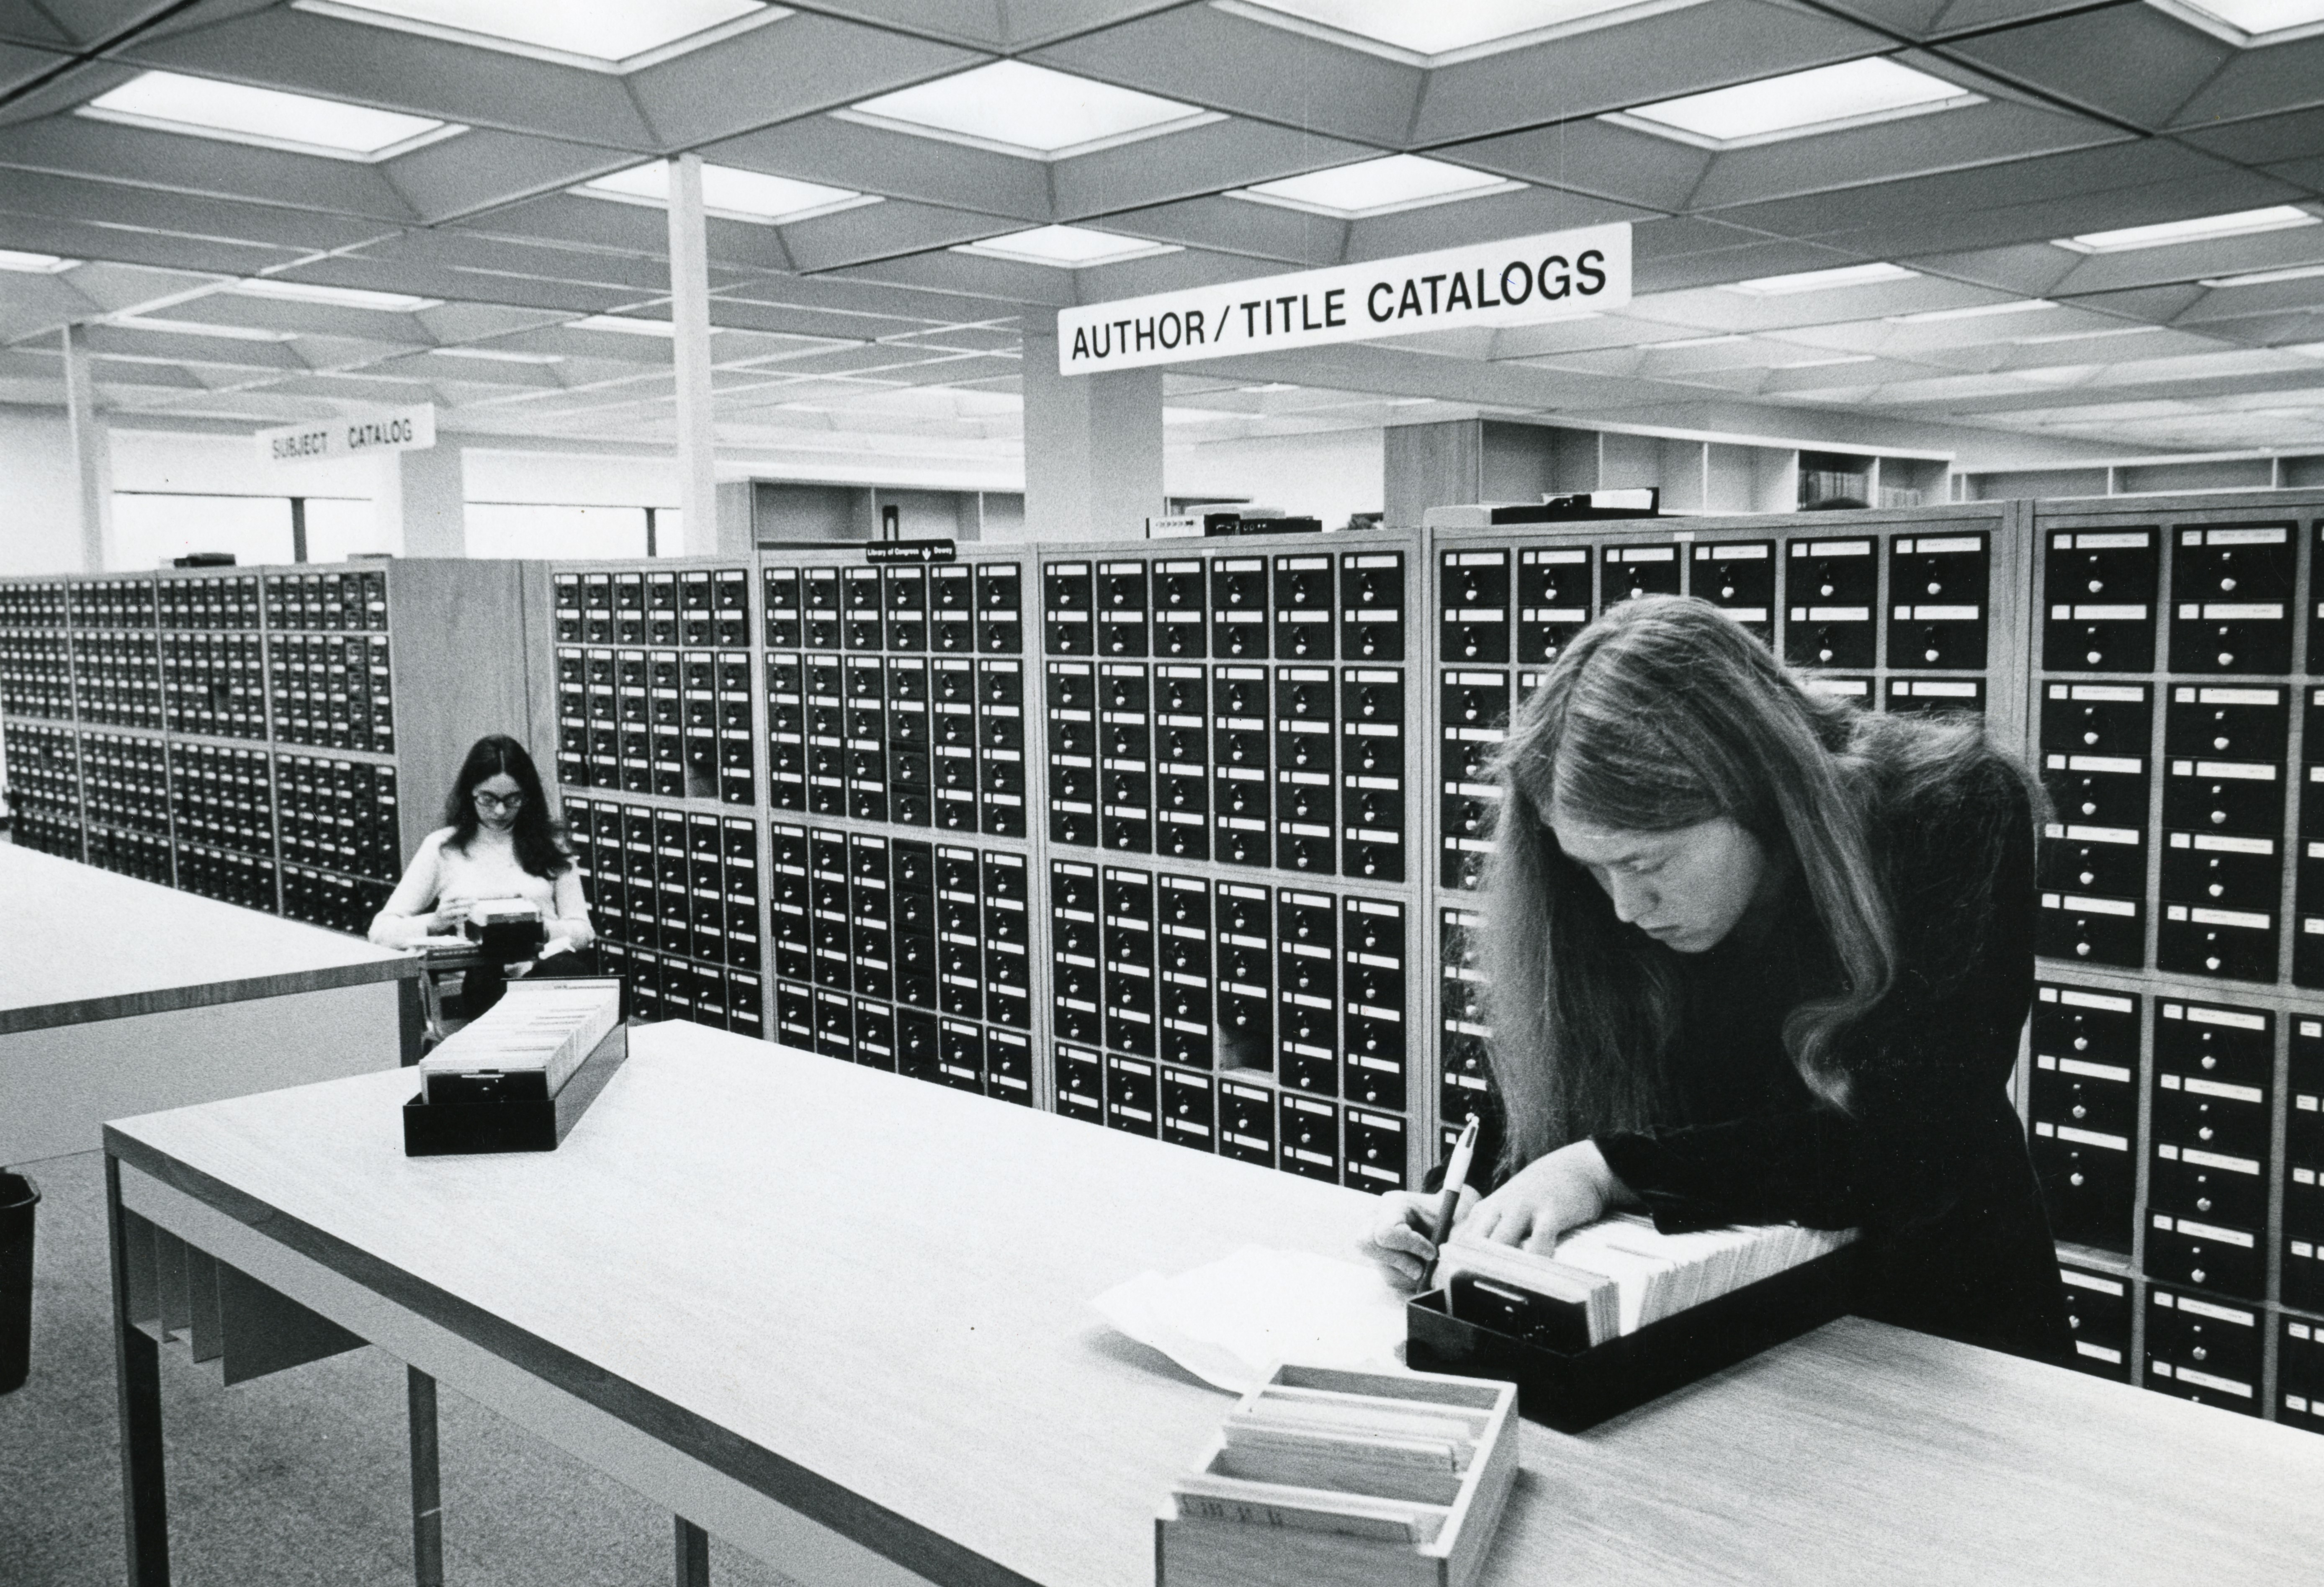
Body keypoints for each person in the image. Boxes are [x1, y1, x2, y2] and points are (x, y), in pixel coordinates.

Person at [1363, 595, 2070, 1363]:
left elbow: (1914, 1138)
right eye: (1592, 870)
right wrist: (1467, 1196)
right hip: (1714, 1323)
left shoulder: (1952, 807)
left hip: (1935, 1319)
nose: (1626, 908)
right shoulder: (1612, 895)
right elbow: (1576, 1064)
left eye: (1646, 862)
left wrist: (1611, 1168)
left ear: (1753, 790)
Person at [370, 735, 594, 1013]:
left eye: (512, 799)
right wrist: (436, 921)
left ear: (527, 796)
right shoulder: (443, 847)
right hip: (478, 978)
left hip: (543, 971)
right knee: (491, 979)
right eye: (488, 799)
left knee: (566, 973)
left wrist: (541, 929)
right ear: (470, 794)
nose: (499, 811)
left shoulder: (552, 846)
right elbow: (380, 932)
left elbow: (583, 931)